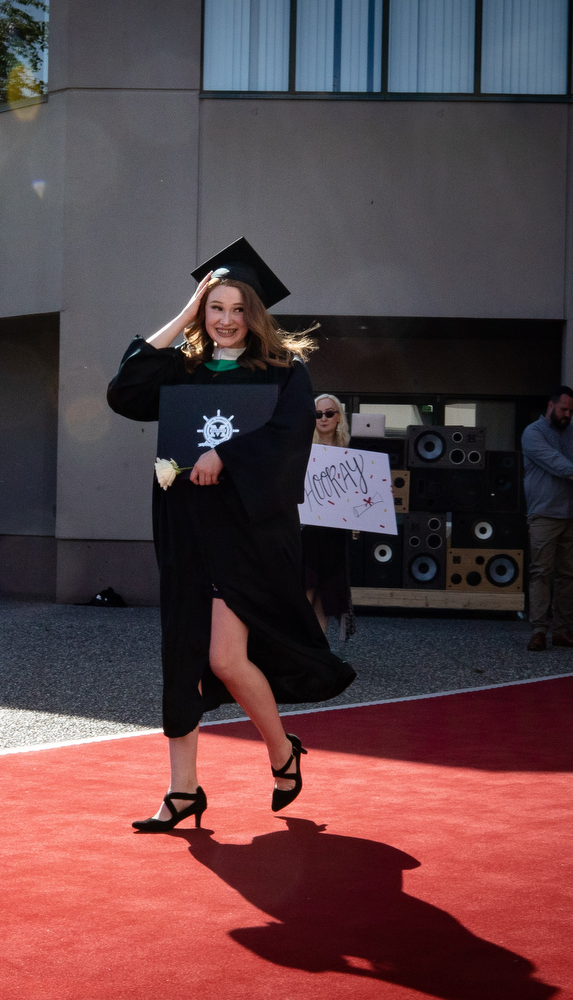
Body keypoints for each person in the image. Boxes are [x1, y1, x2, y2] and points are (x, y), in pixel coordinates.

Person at [107, 239, 356, 832]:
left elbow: (289, 441)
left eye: (236, 309)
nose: (224, 320)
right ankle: (183, 790)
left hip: (246, 532)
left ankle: (281, 751)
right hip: (186, 528)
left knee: (223, 656)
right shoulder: (184, 367)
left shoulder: (284, 374)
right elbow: (123, 392)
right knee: (183, 657)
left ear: (255, 314)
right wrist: (182, 315)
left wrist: (227, 454)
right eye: (213, 308)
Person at [521, 385, 573, 652]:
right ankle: (538, 631)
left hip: (572, 513)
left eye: (572, 411)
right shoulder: (532, 433)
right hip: (544, 512)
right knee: (541, 572)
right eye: (564, 409)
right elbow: (554, 463)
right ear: (551, 405)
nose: (568, 415)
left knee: (568, 574)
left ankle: (562, 630)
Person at [301, 393, 353, 637]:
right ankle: (299, 656)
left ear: (339, 417)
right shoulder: (301, 450)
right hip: (305, 535)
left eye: (329, 413)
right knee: (303, 598)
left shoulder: (352, 455)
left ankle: (319, 659)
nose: (323, 418)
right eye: (318, 414)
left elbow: (359, 495)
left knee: (325, 603)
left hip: (334, 537)